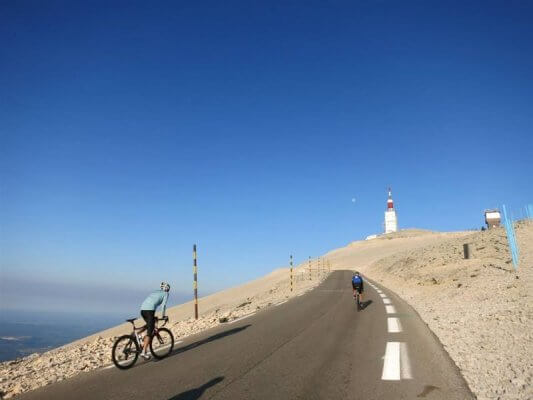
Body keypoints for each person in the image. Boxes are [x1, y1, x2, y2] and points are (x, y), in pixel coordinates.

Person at [139, 282, 170, 359]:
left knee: (149, 324)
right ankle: (143, 352)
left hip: (142, 310)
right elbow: (163, 305)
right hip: (150, 311)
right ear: (167, 289)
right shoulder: (166, 294)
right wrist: (163, 316)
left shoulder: (155, 291)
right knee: (150, 331)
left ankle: (139, 334)